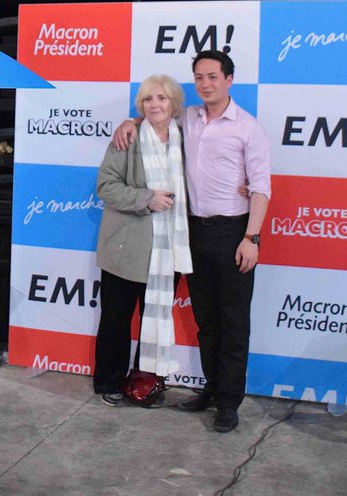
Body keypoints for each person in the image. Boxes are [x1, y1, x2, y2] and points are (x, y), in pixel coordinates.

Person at [113, 51, 272, 433]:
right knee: (206, 321)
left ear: (229, 80)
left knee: (234, 322)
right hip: (193, 232)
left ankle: (229, 403)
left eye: (213, 77)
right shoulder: (189, 119)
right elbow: (155, 117)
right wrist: (130, 121)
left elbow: (262, 189)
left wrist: (252, 237)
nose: (205, 84)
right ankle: (211, 391)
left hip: (234, 232)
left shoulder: (248, 128)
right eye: (199, 77)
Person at [94, 74, 193, 405]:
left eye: (162, 98)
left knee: (155, 318)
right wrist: (146, 198)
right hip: (126, 248)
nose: (155, 105)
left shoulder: (187, 139)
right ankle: (108, 383)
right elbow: (106, 186)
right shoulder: (128, 138)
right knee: (116, 319)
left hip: (169, 249)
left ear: (174, 103)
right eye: (148, 99)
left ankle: (143, 383)